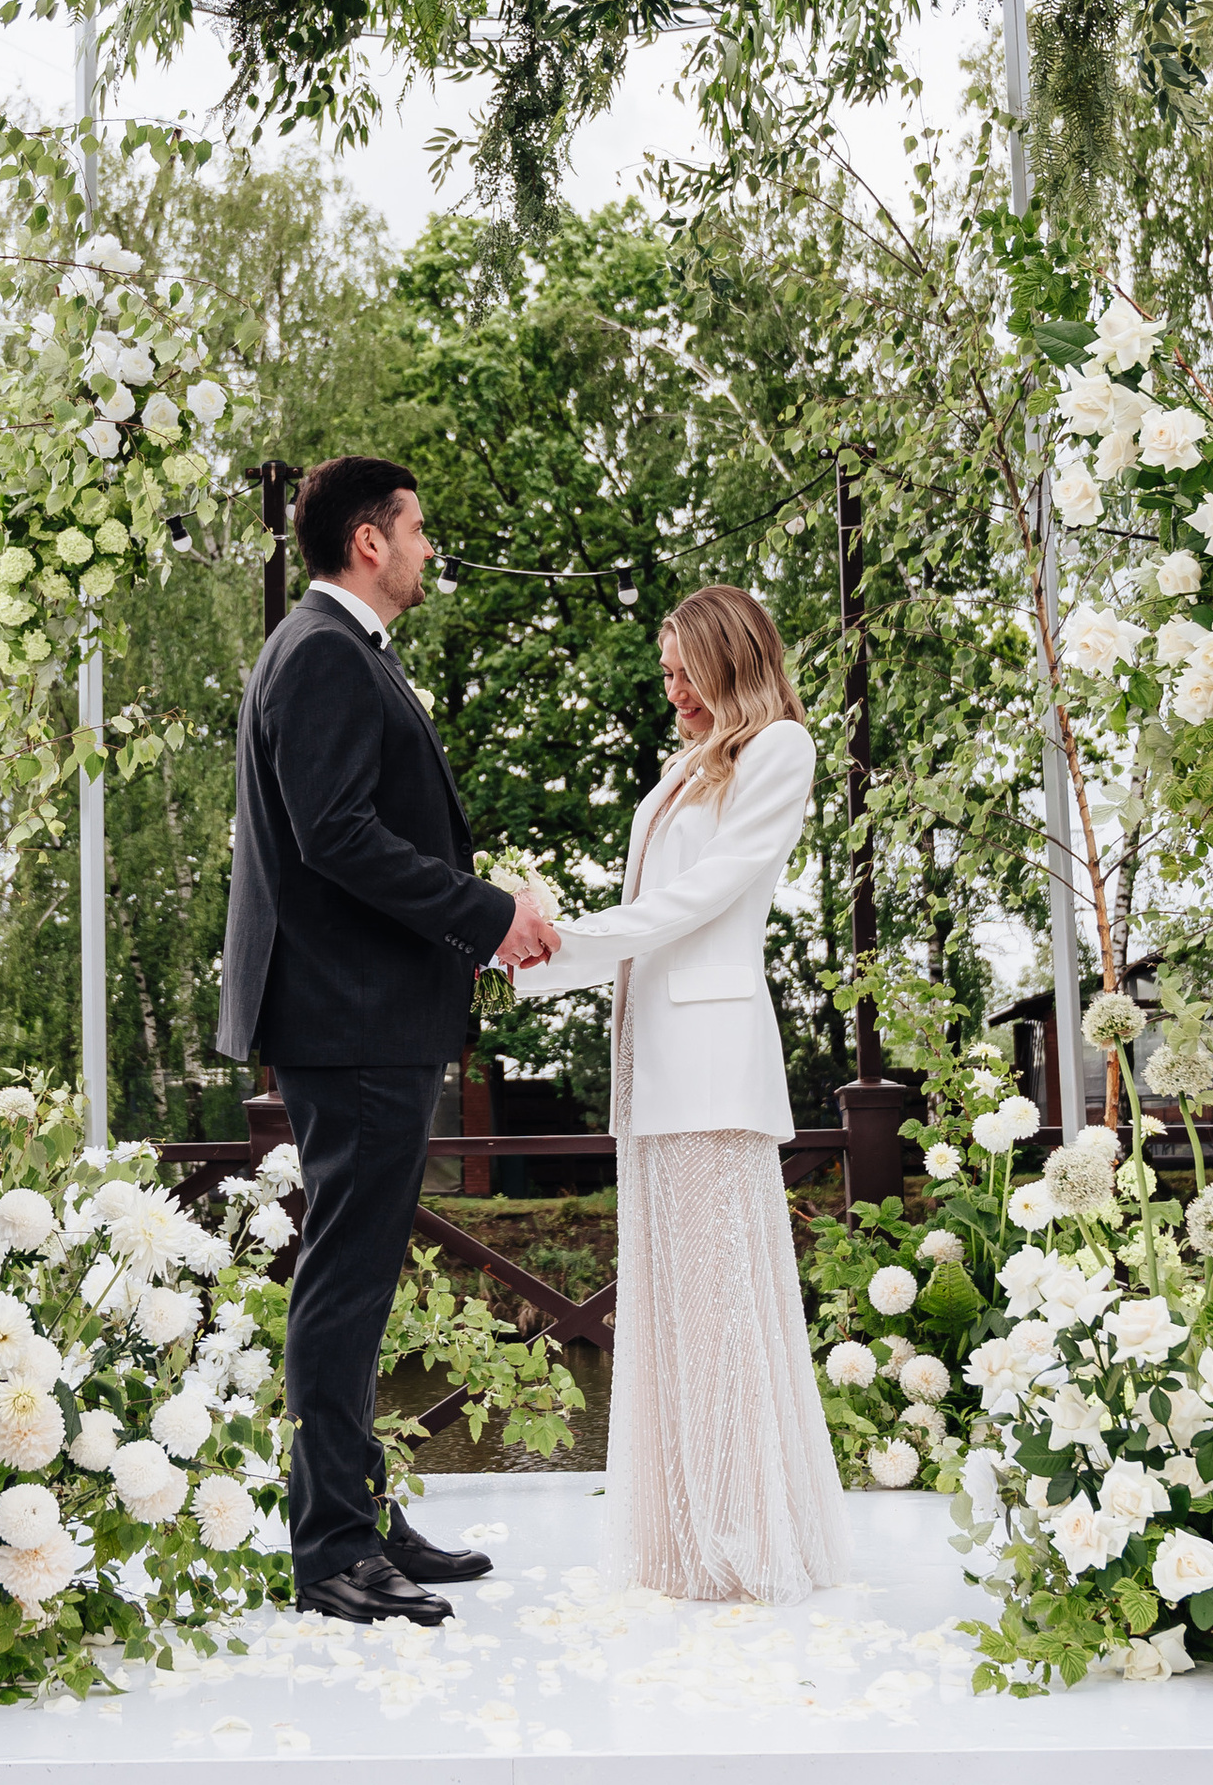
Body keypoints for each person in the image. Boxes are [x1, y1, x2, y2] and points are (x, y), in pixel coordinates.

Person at [219, 456, 559, 1625]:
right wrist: (488, 913)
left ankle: (359, 1511)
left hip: (359, 1012)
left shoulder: (334, 651)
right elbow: (337, 836)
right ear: (369, 540)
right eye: (416, 528)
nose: (427, 547)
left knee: (355, 1278)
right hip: (352, 1016)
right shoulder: (321, 652)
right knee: (344, 1280)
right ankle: (330, 1549)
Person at [515, 584, 847, 1605]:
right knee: (668, 1309)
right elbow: (649, 911)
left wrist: (566, 940)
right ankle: (681, 1540)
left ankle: (743, 1536)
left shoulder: (778, 750)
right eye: (664, 678)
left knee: (722, 1308)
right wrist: (544, 953)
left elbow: (704, 898)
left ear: (728, 657)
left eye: (682, 673)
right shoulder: (678, 772)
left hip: (710, 1065)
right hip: (649, 1064)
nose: (672, 695)